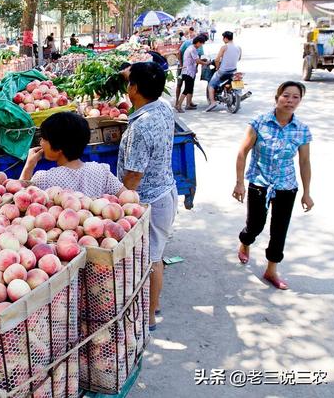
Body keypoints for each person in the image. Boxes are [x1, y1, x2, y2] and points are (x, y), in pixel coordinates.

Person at [233, 82, 313, 290]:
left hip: (286, 186)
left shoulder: (301, 130)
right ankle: (245, 241)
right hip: (259, 183)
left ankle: (271, 270)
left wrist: (307, 193)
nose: (290, 101)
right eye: (286, 96)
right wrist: (240, 182)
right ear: (276, 97)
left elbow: (304, 162)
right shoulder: (260, 122)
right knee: (255, 225)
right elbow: (243, 152)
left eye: (296, 97)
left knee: (279, 230)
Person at [117, 62, 177, 331]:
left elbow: (133, 177)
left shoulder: (141, 127)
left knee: (152, 259)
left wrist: (118, 205)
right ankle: (155, 303)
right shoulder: (163, 107)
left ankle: (150, 315)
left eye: (130, 83)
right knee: (157, 254)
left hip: (148, 201)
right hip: (165, 190)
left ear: (135, 89)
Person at [20, 112, 126, 198]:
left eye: (44, 139)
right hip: (97, 224)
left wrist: (29, 167)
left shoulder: (44, 179)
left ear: (58, 148)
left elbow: (19, 198)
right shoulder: (102, 171)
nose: (40, 143)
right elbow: (127, 198)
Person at [206, 31, 241, 111]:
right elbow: (238, 58)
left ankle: (213, 102)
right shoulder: (238, 47)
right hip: (234, 71)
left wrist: (217, 67)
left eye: (223, 38)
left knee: (211, 85)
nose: (222, 40)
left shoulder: (224, 47)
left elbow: (217, 59)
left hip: (224, 71)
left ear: (225, 38)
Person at [176, 37, 209, 113]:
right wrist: (205, 63)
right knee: (187, 89)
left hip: (190, 71)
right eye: (201, 43)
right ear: (198, 42)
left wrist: (202, 61)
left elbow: (196, 60)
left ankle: (188, 105)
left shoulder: (192, 48)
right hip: (188, 71)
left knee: (190, 88)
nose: (201, 45)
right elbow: (197, 60)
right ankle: (179, 105)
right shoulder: (192, 49)